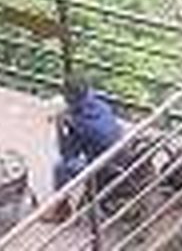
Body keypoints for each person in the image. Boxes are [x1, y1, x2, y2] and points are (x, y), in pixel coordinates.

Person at [44, 77, 123, 223]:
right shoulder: (100, 103)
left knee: (60, 167)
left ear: (71, 98)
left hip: (104, 166)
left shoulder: (80, 123)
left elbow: (66, 153)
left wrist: (59, 124)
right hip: (122, 153)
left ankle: (61, 209)